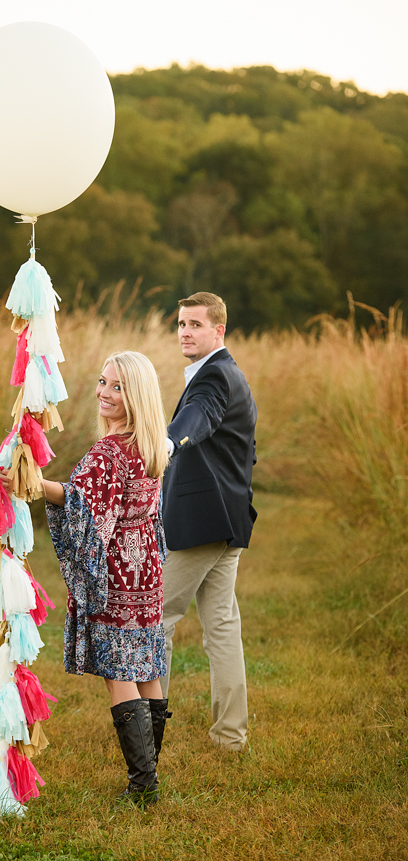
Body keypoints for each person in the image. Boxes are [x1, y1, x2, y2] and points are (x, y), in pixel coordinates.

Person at [41, 351, 171, 801]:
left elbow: (80, 503)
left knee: (121, 672)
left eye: (117, 387)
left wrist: (36, 485)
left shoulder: (110, 451)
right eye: (102, 382)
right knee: (147, 664)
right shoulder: (150, 443)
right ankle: (150, 774)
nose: (104, 392)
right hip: (147, 568)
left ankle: (143, 786)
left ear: (135, 395)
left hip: (118, 572)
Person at [161, 291, 257, 752]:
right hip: (230, 518)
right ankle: (230, 737)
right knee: (221, 626)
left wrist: (168, 442)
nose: (185, 332)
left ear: (218, 329)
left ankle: (145, 728)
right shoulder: (231, 374)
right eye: (181, 324)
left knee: (154, 618)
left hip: (202, 524)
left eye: (196, 324)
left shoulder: (214, 378)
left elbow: (198, 418)